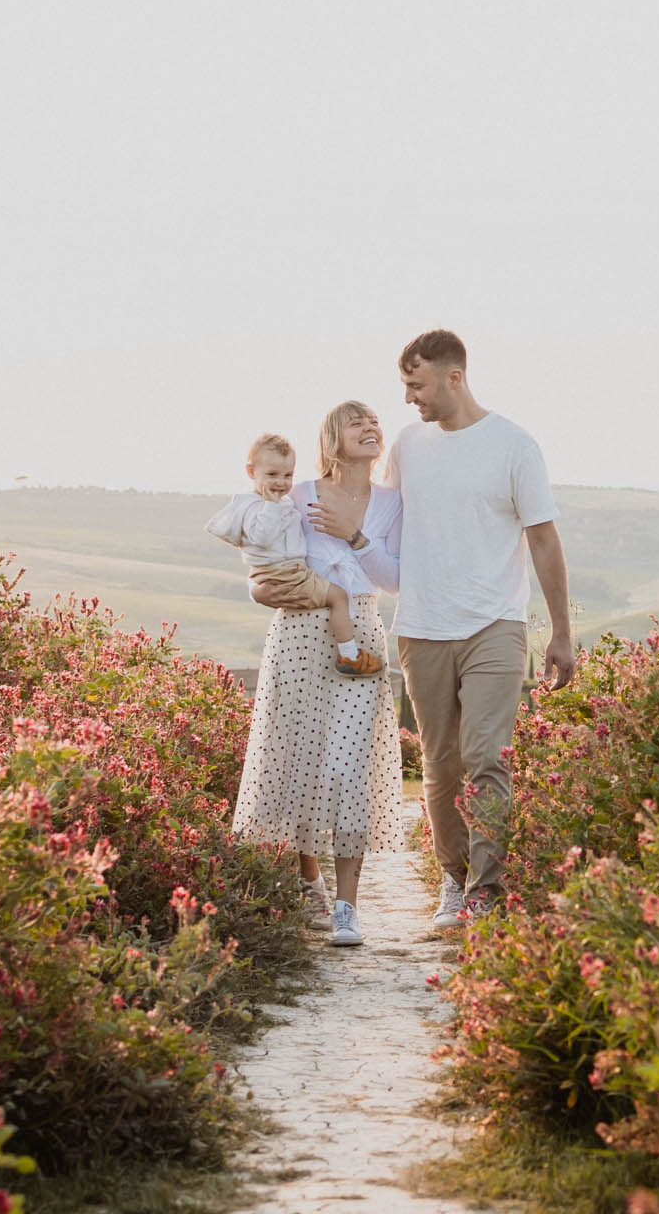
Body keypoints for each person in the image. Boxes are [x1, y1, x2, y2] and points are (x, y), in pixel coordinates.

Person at [382, 329, 574, 929]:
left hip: (496, 624)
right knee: (440, 763)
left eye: (416, 384)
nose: (410, 398)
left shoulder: (514, 446)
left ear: (453, 377)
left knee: (487, 756)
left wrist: (561, 633)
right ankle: (454, 878)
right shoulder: (408, 447)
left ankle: (486, 891)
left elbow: (543, 538)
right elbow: (380, 531)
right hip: (421, 627)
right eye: (405, 386)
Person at [232, 401, 407, 946]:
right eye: (357, 422)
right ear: (332, 438)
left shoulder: (390, 502)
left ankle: (347, 907)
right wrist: (261, 586)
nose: (371, 428)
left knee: (349, 765)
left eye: (375, 421)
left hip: (361, 632)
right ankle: (308, 878)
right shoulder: (298, 490)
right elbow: (262, 556)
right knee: (302, 757)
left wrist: (354, 536)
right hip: (298, 633)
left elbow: (395, 578)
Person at [206, 433, 382, 676]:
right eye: (272, 475)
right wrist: (271, 506)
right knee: (339, 597)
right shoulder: (256, 507)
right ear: (250, 472)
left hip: (288, 571)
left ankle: (348, 652)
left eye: (287, 475)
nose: (280, 482)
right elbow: (261, 539)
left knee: (336, 596)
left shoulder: (284, 500)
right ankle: (349, 655)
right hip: (287, 574)